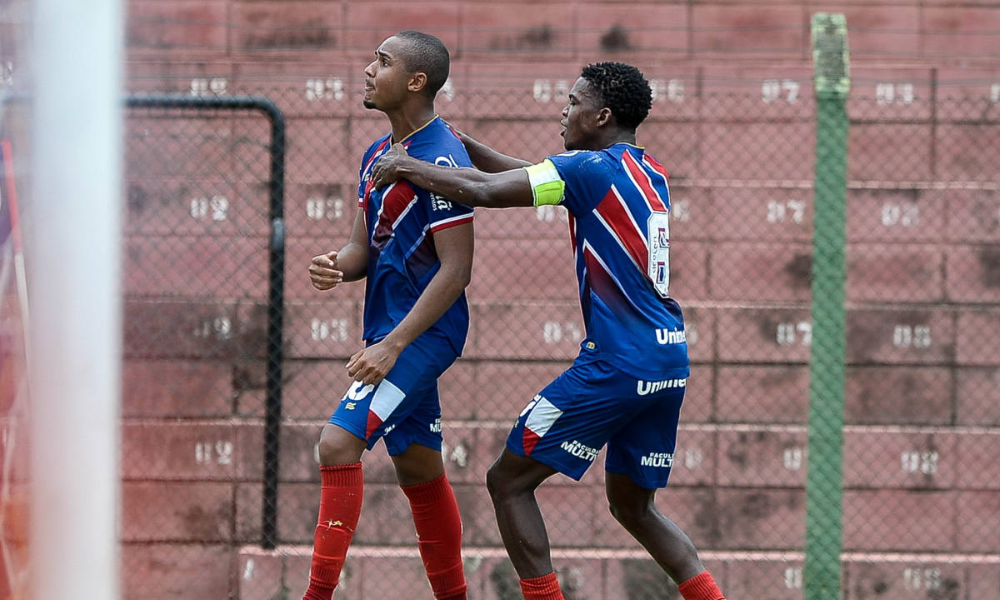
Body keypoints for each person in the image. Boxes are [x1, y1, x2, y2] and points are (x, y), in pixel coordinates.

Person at [370, 62, 727, 600]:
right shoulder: (643, 169)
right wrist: (454, 141)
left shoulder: (586, 171)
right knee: (635, 507)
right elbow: (525, 172)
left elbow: (486, 191)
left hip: (617, 363)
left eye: (574, 100)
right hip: (669, 359)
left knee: (508, 481)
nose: (564, 109)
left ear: (601, 115)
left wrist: (407, 164)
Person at [302, 30, 473, 600]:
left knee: (337, 443)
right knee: (420, 468)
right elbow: (363, 250)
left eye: (382, 61)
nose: (368, 69)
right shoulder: (377, 154)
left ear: (416, 81)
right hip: (388, 332)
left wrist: (395, 344)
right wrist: (337, 265)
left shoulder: (444, 159)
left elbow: (455, 271)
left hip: (424, 334)